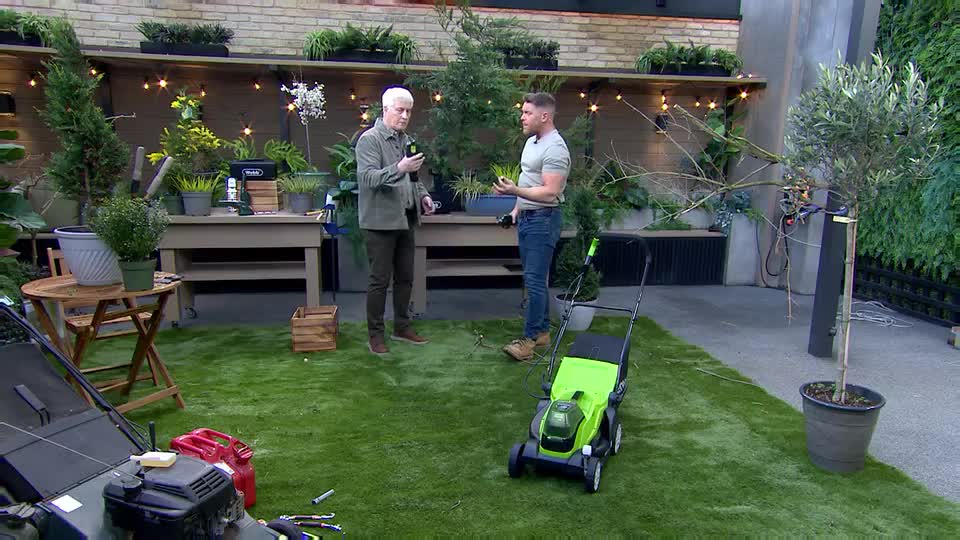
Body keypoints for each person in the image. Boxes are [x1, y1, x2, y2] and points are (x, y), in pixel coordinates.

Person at [356, 86, 435, 355]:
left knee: (405, 278)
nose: (404, 116)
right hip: (379, 222)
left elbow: (413, 178)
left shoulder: (406, 140)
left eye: (409, 111)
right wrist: (399, 167)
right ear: (386, 109)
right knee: (379, 280)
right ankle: (375, 335)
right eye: (400, 110)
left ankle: (402, 326)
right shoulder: (370, 140)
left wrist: (423, 196)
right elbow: (367, 178)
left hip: (406, 219)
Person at [493, 92, 571, 361]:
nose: (522, 117)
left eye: (527, 113)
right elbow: (528, 180)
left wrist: (515, 189)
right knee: (533, 280)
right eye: (523, 112)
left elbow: (550, 192)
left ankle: (527, 342)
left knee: (536, 282)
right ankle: (542, 332)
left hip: (543, 220)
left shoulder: (556, 148)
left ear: (544, 116)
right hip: (528, 218)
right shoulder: (531, 143)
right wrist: (515, 209)